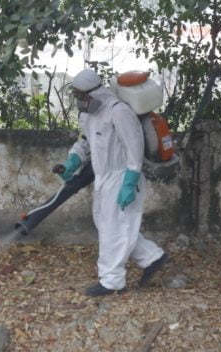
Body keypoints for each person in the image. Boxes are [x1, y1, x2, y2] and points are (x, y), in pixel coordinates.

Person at [59, 68, 168, 297]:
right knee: (109, 224)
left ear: (94, 93)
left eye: (81, 95)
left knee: (113, 229)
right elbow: (87, 143)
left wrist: (130, 181)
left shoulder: (119, 112)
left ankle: (112, 281)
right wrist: (73, 160)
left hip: (123, 176)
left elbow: (134, 147)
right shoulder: (88, 114)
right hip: (103, 178)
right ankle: (153, 258)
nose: (78, 100)